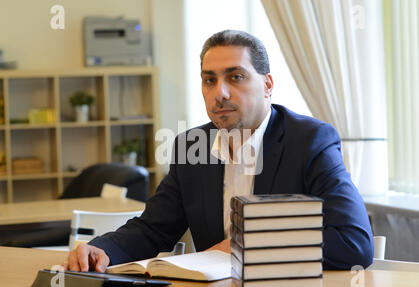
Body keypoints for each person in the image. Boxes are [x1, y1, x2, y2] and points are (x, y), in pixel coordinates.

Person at [63, 30, 374, 273]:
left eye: (235, 77)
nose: (220, 93)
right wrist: (102, 249)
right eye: (209, 80)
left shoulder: (309, 140)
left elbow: (353, 243)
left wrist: (246, 244)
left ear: (267, 85)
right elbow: (152, 229)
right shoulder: (191, 145)